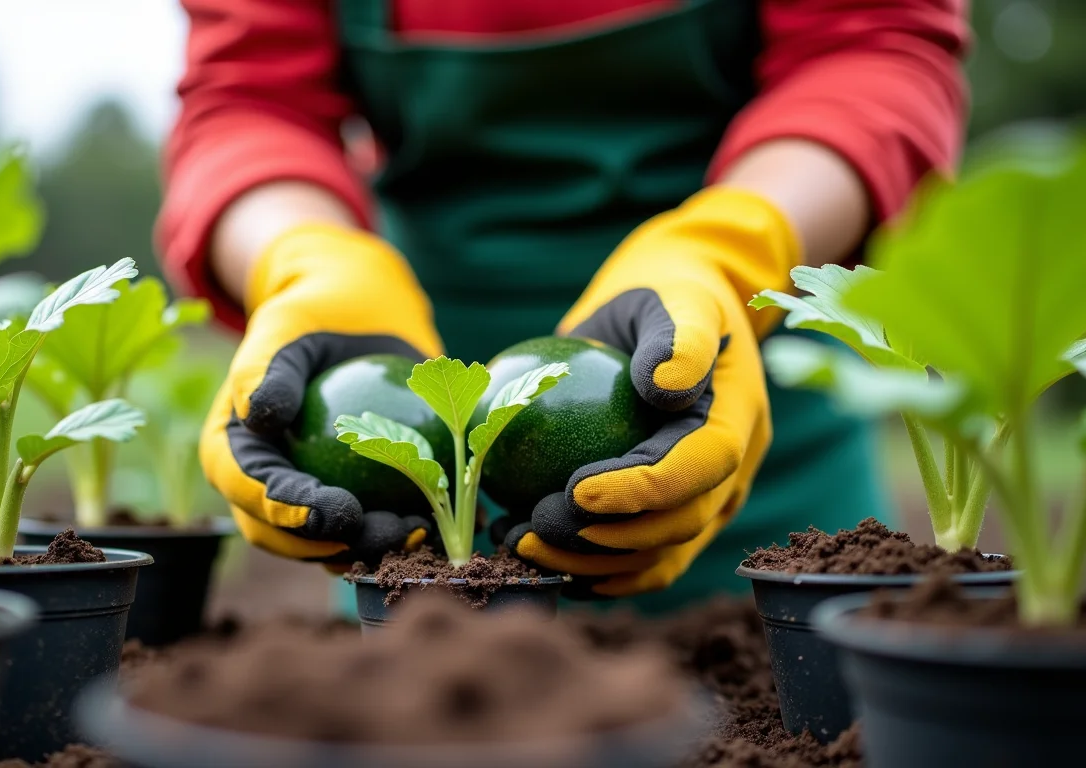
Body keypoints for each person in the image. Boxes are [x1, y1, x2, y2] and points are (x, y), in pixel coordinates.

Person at [160, 0, 966, 611]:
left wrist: (732, 249)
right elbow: (247, 99)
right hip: (408, 456)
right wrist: (306, 259)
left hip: (733, 407)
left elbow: (873, 45)